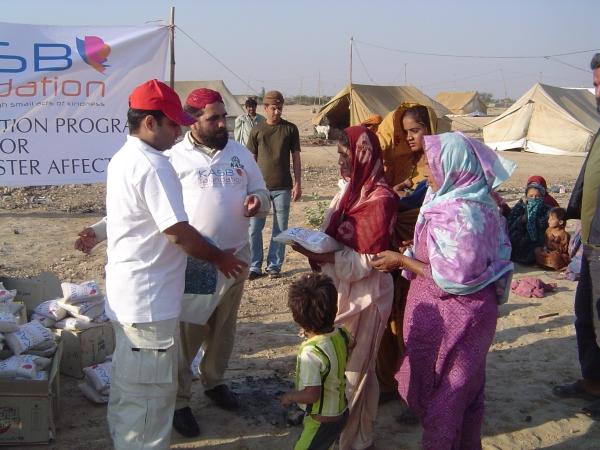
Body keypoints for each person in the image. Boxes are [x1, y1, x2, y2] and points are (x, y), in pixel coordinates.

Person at [76, 87, 270, 438]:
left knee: (223, 330)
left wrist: (257, 200)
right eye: (213, 118)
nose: (222, 124)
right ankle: (180, 401)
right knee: (188, 333)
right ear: (194, 120)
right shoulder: (169, 158)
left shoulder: (239, 152)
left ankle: (214, 381)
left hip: (235, 256)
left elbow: (261, 190)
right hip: (198, 260)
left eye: (224, 117)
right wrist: (99, 231)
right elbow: (155, 218)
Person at [371, 131, 514, 450]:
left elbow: (453, 277)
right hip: (469, 318)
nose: (426, 171)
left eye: (433, 164)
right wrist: (416, 251)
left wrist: (401, 261)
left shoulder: (461, 215)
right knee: (466, 396)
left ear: (453, 165)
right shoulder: (477, 202)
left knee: (446, 401)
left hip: (456, 321)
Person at [292, 126, 397, 450]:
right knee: (343, 369)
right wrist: (313, 245)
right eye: (338, 155)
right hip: (342, 291)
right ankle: (352, 435)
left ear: (362, 156)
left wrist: (319, 254)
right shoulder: (350, 191)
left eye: (344, 155)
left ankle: (351, 441)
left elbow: (365, 262)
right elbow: (334, 237)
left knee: (355, 373)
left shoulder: (380, 200)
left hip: (367, 297)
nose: (340, 162)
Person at [374, 104, 439, 402]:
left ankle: (417, 391)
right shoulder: (404, 165)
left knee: (416, 326)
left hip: (422, 262)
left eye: (416, 130)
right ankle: (391, 383)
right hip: (397, 255)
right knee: (392, 319)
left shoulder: (440, 166)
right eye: (405, 132)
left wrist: (395, 200)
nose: (409, 137)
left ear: (431, 129)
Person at [553, 53, 600, 420]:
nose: (598, 93)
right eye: (596, 84)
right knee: (585, 316)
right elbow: (588, 179)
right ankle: (592, 382)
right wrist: (568, 212)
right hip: (593, 242)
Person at [281, 273, 351, 450]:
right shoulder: (341, 333)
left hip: (322, 420)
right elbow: (353, 344)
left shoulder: (310, 353)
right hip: (341, 411)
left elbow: (312, 395)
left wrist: (291, 396)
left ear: (297, 317)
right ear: (334, 308)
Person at [247, 90, 302, 279]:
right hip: (259, 188)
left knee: (280, 228)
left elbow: (296, 158)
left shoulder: (290, 129)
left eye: (280, 108)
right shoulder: (257, 130)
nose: (277, 112)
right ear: (265, 108)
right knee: (254, 228)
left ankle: (274, 266)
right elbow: (251, 160)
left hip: (283, 187)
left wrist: (298, 183)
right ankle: (254, 266)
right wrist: (247, 186)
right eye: (273, 108)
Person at [507, 176, 552, 264]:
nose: (534, 199)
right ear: (526, 197)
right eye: (531, 196)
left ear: (542, 197)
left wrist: (537, 221)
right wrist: (521, 220)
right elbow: (509, 225)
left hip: (541, 243)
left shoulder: (547, 209)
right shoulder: (520, 207)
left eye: (537, 196)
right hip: (520, 244)